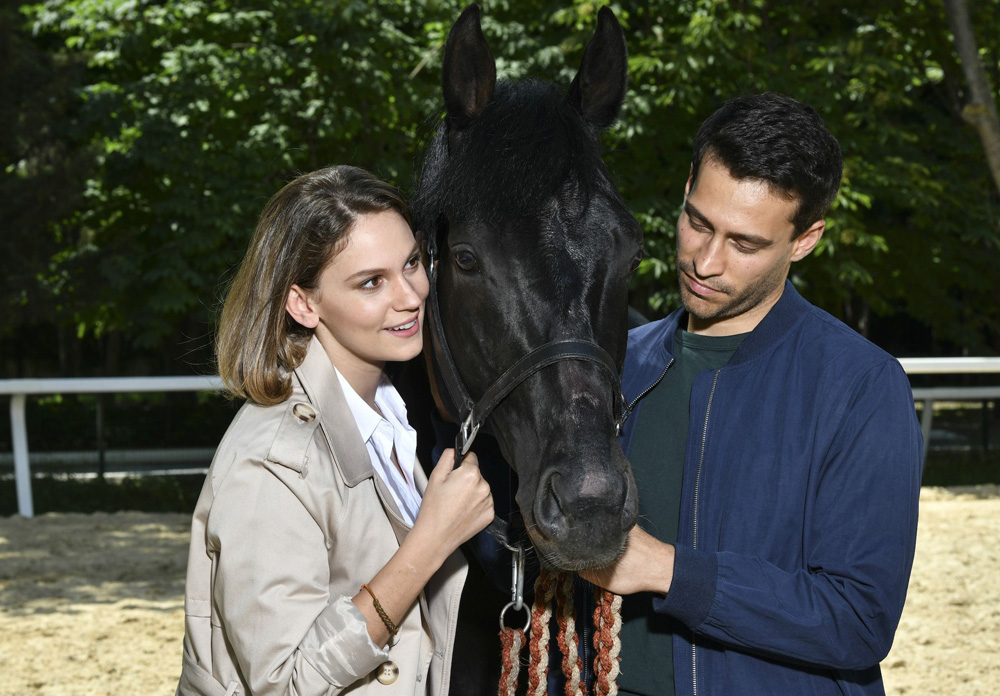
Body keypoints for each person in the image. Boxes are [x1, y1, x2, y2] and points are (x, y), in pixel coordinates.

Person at [576, 93, 923, 695]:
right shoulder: (613, 362)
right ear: (688, 186)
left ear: (805, 239)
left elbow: (858, 619)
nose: (705, 261)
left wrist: (669, 571)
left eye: (745, 244)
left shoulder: (861, 385)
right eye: (698, 222)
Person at [175, 165, 494, 696]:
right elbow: (283, 684)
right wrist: (429, 543)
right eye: (371, 282)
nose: (410, 295)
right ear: (303, 304)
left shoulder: (384, 412)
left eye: (411, 263)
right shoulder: (273, 464)